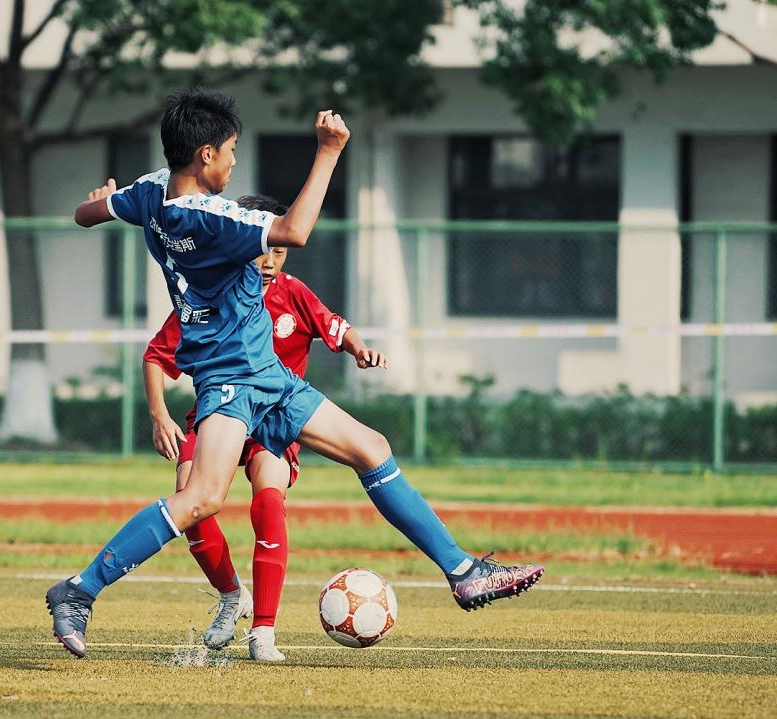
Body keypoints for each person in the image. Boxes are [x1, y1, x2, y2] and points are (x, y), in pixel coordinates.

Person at [48, 87, 543, 659]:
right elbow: (294, 232)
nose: (235, 162)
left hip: (267, 373)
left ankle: (462, 571)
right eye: (231, 150)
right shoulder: (211, 217)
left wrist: (99, 202)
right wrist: (330, 151)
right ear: (206, 154)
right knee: (202, 498)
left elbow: (87, 214)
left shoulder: (150, 192)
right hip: (232, 375)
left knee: (371, 448)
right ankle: (79, 589)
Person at [143, 194, 387, 662]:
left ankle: (263, 631)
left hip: (274, 418)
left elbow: (338, 328)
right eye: (262, 249)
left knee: (268, 500)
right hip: (219, 411)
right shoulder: (211, 290)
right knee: (191, 505)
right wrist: (160, 415)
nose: (270, 260)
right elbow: (156, 355)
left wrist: (360, 348)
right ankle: (232, 595)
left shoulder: (294, 293)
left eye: (279, 250)